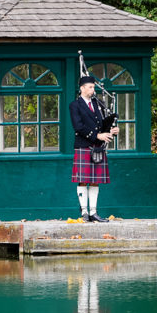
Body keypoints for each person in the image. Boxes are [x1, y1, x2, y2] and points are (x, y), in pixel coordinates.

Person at [69, 75, 119, 222]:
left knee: (96, 180)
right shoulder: (75, 105)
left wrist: (111, 131)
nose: (93, 90)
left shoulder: (98, 104)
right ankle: (84, 212)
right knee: (83, 180)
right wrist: (97, 136)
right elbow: (78, 126)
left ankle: (94, 213)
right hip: (84, 145)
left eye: (93, 87)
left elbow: (103, 124)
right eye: (90, 87)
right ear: (82, 88)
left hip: (97, 147)